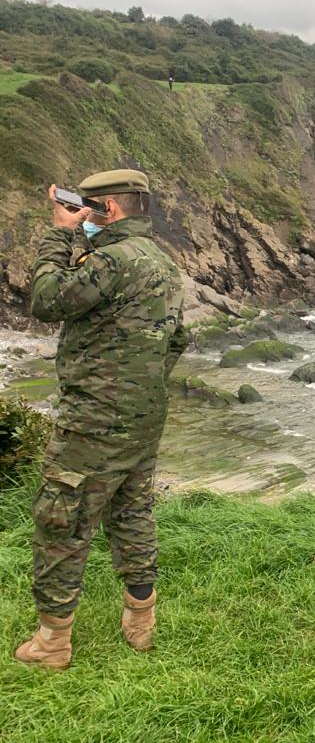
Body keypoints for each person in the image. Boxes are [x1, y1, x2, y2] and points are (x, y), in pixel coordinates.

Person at [15, 170, 186, 670]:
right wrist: (137, 382)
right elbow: (175, 341)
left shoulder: (111, 260)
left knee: (61, 519)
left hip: (94, 419)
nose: (81, 215)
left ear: (106, 210)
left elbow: (47, 300)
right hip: (144, 414)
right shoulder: (162, 261)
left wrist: (60, 232)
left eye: (86, 207)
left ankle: (51, 644)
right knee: (132, 512)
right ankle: (141, 623)